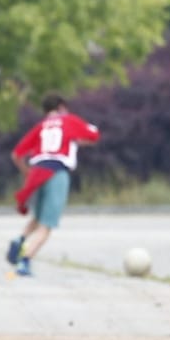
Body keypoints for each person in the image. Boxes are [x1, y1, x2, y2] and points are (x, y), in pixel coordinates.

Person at [7, 94, 100, 276]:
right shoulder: (69, 120)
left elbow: (16, 155)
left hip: (38, 172)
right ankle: (25, 262)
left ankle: (20, 239)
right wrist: (79, 140)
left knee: (38, 217)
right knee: (47, 225)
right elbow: (93, 135)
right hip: (57, 172)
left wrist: (27, 172)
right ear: (62, 107)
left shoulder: (40, 127)